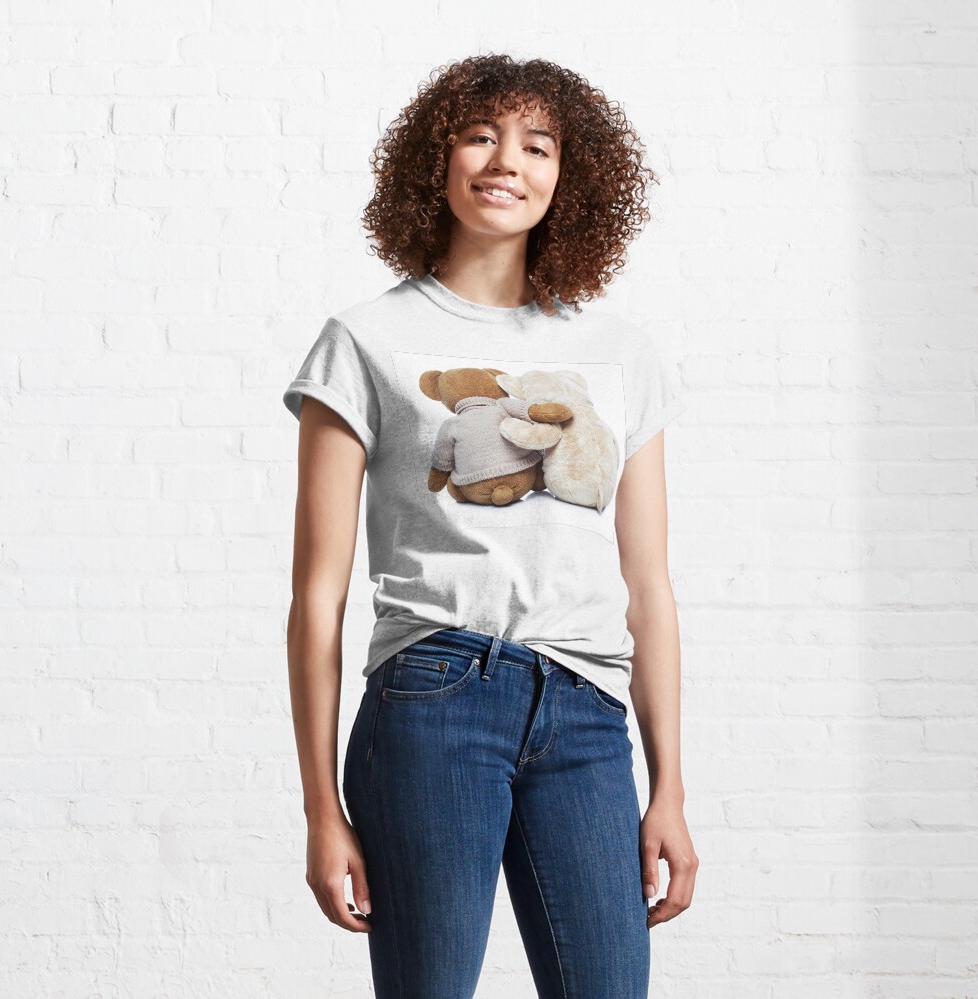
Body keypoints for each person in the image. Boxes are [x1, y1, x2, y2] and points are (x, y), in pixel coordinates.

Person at [282, 53, 699, 999]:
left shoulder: (619, 353)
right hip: (433, 697)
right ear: (435, 161)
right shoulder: (365, 341)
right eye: (480, 136)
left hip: (587, 712)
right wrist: (320, 808)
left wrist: (668, 787)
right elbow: (316, 595)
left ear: (570, 179)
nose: (507, 161)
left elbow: (649, 588)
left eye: (537, 146)